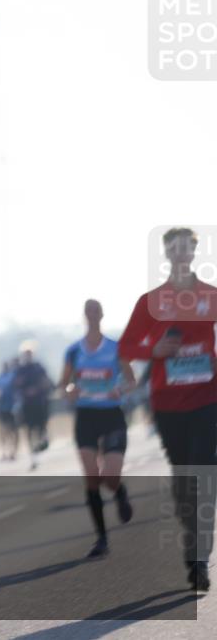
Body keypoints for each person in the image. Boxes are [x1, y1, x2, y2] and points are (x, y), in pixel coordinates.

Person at [118, 227, 216, 592]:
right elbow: (126, 346)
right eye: (173, 248)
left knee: (205, 471)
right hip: (168, 402)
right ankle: (190, 527)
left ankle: (199, 557)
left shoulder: (210, 295)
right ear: (167, 255)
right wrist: (153, 352)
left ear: (194, 252)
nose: (180, 254)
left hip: (208, 398)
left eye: (186, 248)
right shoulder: (151, 302)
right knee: (184, 479)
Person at [60, 299, 134, 558]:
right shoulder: (73, 350)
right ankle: (101, 538)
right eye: (88, 312)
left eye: (96, 311)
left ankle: (120, 491)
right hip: (86, 417)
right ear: (84, 316)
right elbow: (64, 385)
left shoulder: (116, 347)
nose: (92, 315)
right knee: (92, 476)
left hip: (112, 416)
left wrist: (119, 389)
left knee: (111, 476)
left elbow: (131, 381)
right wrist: (71, 390)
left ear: (102, 315)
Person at [14, 342, 52, 470]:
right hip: (27, 404)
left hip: (40, 403)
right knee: (29, 430)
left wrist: (37, 389)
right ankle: (33, 456)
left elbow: (47, 382)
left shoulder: (39, 367)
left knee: (42, 428)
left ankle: (44, 440)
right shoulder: (20, 369)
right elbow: (15, 385)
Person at [0, 360, 19, 460]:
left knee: (13, 430)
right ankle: (4, 450)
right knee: (3, 430)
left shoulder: (13, 376)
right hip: (1, 407)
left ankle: (13, 450)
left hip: (12, 407)